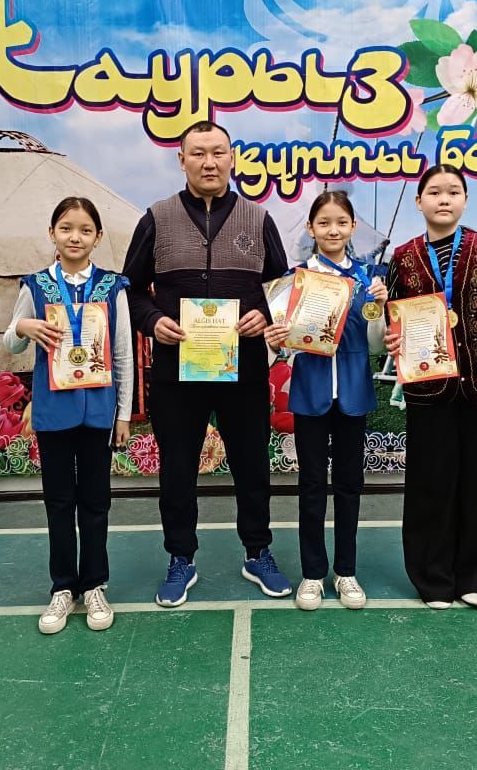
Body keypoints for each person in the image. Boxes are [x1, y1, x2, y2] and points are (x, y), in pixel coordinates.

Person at [123, 120, 292, 607]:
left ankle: (258, 552)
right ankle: (181, 557)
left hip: (245, 370)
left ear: (232, 158)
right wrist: (153, 320)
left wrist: (266, 314)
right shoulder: (157, 218)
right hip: (177, 372)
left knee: (252, 465)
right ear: (182, 160)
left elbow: (282, 288)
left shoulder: (258, 219)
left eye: (218, 152)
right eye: (198, 153)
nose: (209, 162)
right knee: (177, 469)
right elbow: (129, 290)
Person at [384, 164, 477, 610]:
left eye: (452, 192)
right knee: (430, 480)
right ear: (419, 202)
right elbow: (392, 313)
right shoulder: (403, 258)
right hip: (429, 384)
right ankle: (433, 578)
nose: (443, 199)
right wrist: (393, 338)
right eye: (434, 192)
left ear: (465, 200)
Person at [4, 197, 133, 634]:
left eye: (84, 230)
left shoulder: (113, 287)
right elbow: (10, 343)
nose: (74, 237)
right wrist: (22, 327)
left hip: (98, 413)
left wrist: (123, 414)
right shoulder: (36, 286)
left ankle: (94, 584)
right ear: (52, 233)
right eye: (66, 228)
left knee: (96, 502)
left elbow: (123, 354)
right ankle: (63, 588)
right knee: (58, 502)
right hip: (54, 413)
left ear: (98, 237)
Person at [263, 190, 387, 611]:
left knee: (350, 486)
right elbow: (283, 347)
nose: (333, 230)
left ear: (352, 227)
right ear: (311, 228)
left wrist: (381, 308)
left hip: (353, 393)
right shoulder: (294, 280)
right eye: (324, 222)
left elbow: (375, 345)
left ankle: (346, 571)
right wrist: (276, 340)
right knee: (312, 486)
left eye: (341, 222)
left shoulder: (368, 279)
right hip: (311, 392)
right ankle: (313, 573)